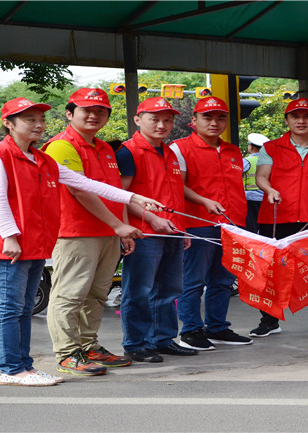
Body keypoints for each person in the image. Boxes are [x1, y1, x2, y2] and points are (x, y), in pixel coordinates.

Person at [0, 97, 161, 386]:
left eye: (41, 120)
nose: (38, 125)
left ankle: (25, 367)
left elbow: (85, 183)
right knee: (9, 309)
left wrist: (133, 197)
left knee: (23, 308)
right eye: (29, 119)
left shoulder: (42, 159)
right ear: (8, 123)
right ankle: (12, 369)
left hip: (35, 244)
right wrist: (9, 236)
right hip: (10, 246)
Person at [43, 88, 138, 376]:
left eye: (100, 111)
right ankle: (67, 354)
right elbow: (79, 190)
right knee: (70, 295)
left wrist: (121, 229)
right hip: (76, 233)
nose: (94, 115)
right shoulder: (61, 146)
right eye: (86, 110)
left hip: (107, 232)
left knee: (96, 294)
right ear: (69, 114)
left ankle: (88, 346)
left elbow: (116, 192)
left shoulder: (105, 148)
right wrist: (118, 225)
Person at [249, 98, 308, 339]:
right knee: (272, 271)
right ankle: (269, 320)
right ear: (287, 120)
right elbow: (262, 176)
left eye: (307, 116)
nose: (301, 121)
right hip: (276, 216)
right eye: (295, 116)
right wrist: (269, 189)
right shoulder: (271, 147)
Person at [115, 97, 197, 362]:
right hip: (144, 232)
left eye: (167, 120)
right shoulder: (128, 152)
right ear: (138, 120)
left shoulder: (169, 152)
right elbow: (121, 196)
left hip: (171, 231)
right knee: (139, 291)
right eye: (155, 119)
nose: (162, 125)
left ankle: (163, 339)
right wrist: (150, 219)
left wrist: (181, 228)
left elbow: (173, 194)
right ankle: (136, 344)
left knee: (168, 289)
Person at [170, 97, 252, 351]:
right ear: (193, 120)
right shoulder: (180, 148)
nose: (214, 123)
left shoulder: (232, 150)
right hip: (198, 223)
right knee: (193, 280)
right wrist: (204, 201)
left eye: (220, 118)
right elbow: (177, 185)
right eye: (207, 117)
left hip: (232, 223)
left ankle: (217, 327)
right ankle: (191, 330)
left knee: (223, 280)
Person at [242, 133, 269, 233]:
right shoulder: (269, 161)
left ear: (251, 147)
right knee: (264, 225)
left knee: (251, 226)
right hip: (266, 198)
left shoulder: (246, 161)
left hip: (250, 198)